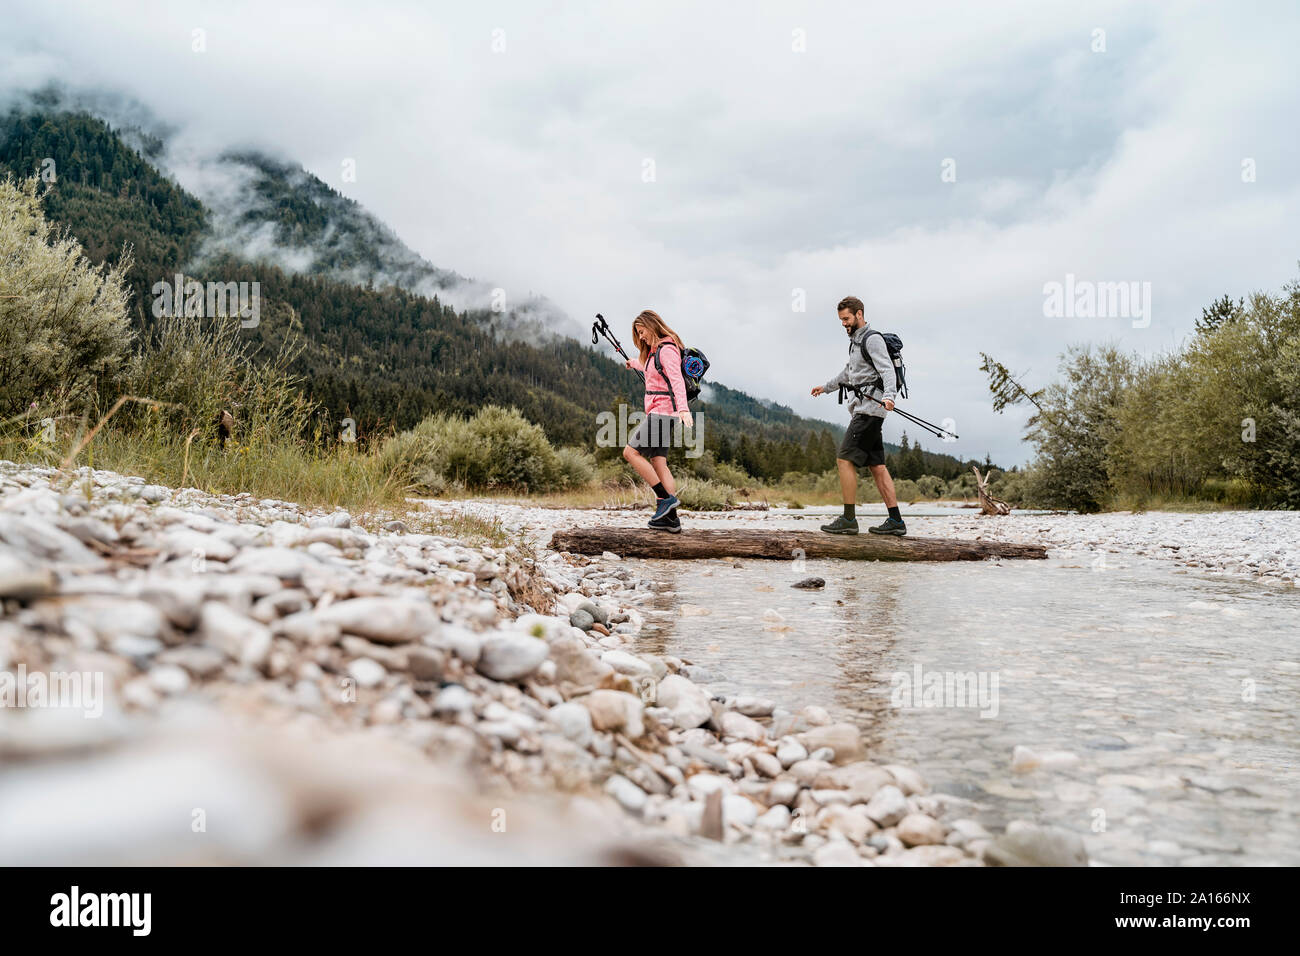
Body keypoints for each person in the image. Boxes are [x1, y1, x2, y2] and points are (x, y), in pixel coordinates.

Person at [810, 296, 906, 536]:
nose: (844, 323)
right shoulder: (855, 343)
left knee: (844, 460)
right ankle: (896, 521)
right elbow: (848, 372)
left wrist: (890, 396)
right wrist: (825, 387)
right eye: (841, 320)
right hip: (866, 408)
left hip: (870, 409)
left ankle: (849, 519)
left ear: (859, 314)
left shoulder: (872, 340)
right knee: (877, 466)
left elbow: (886, 369)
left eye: (846, 318)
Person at [622, 309, 693, 533]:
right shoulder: (655, 351)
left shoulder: (667, 349)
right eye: (638, 334)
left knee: (630, 453)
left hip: (663, 412)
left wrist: (683, 409)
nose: (640, 337)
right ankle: (670, 519)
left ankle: (664, 499)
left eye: (642, 331)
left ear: (652, 326)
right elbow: (653, 371)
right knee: (658, 462)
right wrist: (634, 363)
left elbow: (676, 380)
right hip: (662, 413)